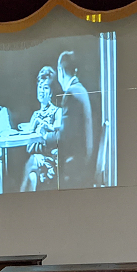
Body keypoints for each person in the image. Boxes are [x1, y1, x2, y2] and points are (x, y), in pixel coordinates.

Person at [52, 51, 94, 189]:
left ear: (60, 71)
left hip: (74, 163)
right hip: (84, 158)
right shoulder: (81, 89)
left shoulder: (70, 93)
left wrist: (45, 135)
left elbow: (64, 137)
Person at [19, 66, 61, 192]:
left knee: (32, 162)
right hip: (36, 161)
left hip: (52, 162)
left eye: (46, 87)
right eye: (40, 87)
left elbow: (58, 138)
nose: (41, 91)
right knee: (32, 177)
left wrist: (44, 129)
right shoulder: (35, 115)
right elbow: (28, 146)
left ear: (51, 91)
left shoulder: (57, 112)